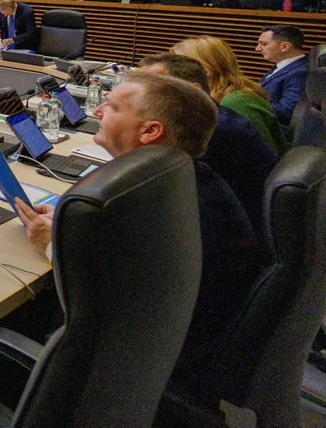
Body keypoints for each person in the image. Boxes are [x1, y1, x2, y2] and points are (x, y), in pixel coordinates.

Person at [14, 72, 260, 378]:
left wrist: (51, 242)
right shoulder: (181, 180)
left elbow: (101, 296)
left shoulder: (171, 206)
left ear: (150, 131)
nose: (97, 111)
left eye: (113, 108)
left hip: (146, 365)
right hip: (186, 340)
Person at [138, 53, 277, 233]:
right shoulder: (210, 116)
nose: (141, 94)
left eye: (152, 86)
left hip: (227, 235)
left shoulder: (212, 130)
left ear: (192, 90)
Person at [172, 35, 287, 153]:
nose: (171, 74)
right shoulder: (223, 94)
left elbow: (262, 152)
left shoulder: (237, 101)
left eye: (176, 67)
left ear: (205, 70)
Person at [257, 24, 308, 125]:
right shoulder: (282, 64)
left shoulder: (300, 72)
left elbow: (285, 112)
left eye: (263, 44)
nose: (257, 49)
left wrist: (248, 103)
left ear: (285, 46)